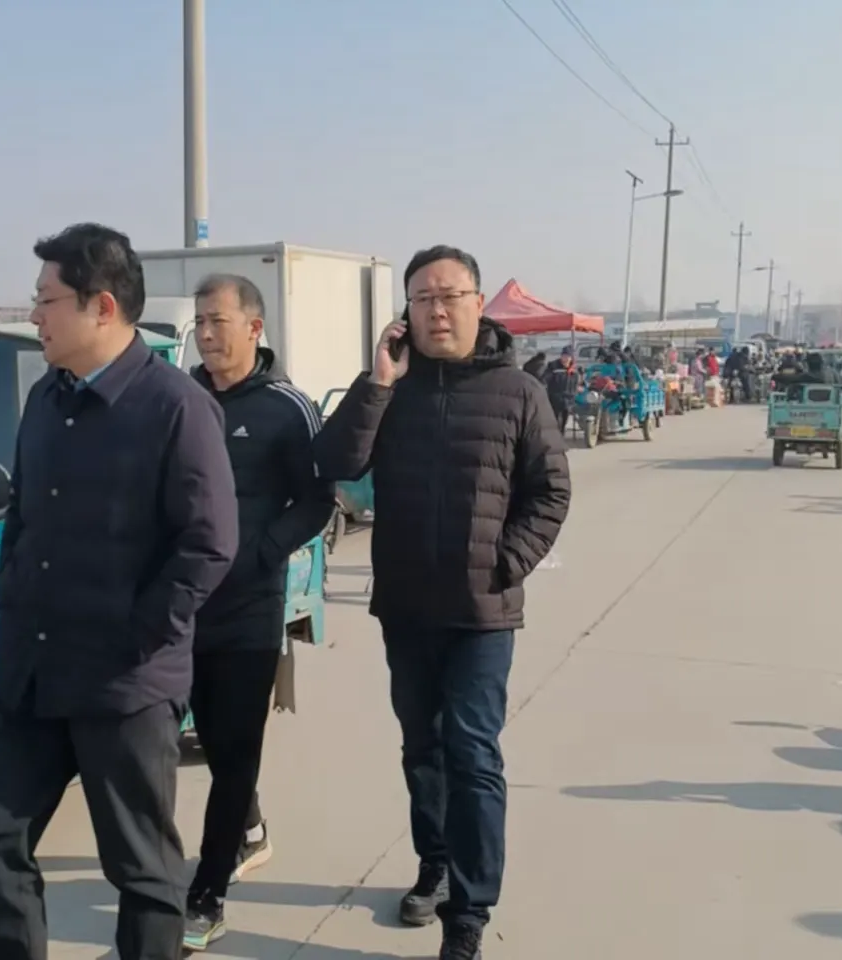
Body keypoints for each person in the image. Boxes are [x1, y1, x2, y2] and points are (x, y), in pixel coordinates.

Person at [0, 223, 240, 960]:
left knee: (142, 873)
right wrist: (11, 584)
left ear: (102, 307)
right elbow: (23, 512)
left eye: (46, 300)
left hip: (123, 682)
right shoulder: (45, 399)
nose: (34, 315)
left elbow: (209, 543)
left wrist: (140, 634)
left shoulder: (176, 408)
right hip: (30, 671)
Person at [313, 245, 572, 960]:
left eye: (450, 295)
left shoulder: (518, 392)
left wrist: (505, 564)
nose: (437, 310)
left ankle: (469, 912)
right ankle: (434, 862)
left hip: (482, 614)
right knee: (421, 748)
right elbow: (335, 462)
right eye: (422, 297)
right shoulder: (390, 388)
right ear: (406, 311)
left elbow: (551, 492)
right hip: (406, 608)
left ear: (478, 305)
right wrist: (378, 381)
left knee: (472, 751)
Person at [182, 274, 336, 951]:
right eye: (199, 321)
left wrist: (261, 554)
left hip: (248, 608)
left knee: (237, 747)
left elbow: (318, 499)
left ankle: (208, 892)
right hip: (181, 607)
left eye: (217, 321)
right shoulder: (181, 398)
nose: (205, 334)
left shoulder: (286, 408)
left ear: (254, 327)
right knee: (210, 744)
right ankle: (249, 828)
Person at [544, 347, 579, 432]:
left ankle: (561, 434)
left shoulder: (574, 370)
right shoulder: (553, 367)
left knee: (564, 421)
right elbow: (545, 379)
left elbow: (577, 383)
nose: (565, 359)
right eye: (564, 356)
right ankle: (557, 435)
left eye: (568, 356)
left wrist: (578, 389)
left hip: (569, 400)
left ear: (571, 358)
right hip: (555, 398)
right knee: (556, 421)